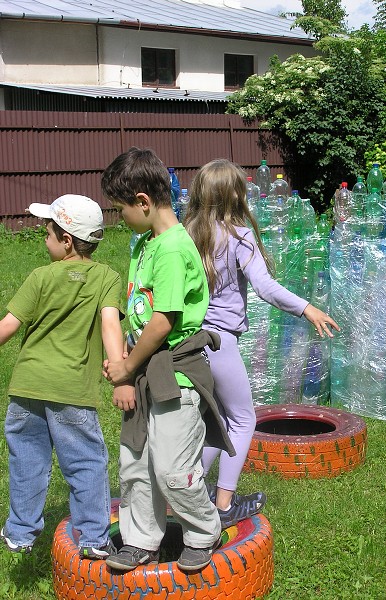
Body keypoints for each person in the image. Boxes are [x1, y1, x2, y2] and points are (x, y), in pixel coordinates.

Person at [184, 159, 340, 527]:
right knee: (242, 419)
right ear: (233, 194)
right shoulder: (238, 235)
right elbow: (265, 288)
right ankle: (222, 506)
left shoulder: (185, 233)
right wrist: (307, 309)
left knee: (216, 421)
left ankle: (187, 496)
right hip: (221, 342)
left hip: (189, 344)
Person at [100, 147, 234, 573]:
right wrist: (126, 362)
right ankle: (141, 540)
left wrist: (126, 366)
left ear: (143, 202)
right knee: (136, 459)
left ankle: (203, 530)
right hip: (145, 366)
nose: (119, 218)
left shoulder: (174, 248)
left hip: (175, 371)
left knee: (173, 465)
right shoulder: (146, 243)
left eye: (121, 209)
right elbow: (138, 312)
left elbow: (163, 321)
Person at [0, 194, 126, 559]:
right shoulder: (106, 276)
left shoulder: (40, 277)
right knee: (85, 460)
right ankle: (92, 538)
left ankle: (20, 532)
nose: (43, 237)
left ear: (66, 240)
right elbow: (109, 325)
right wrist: (120, 372)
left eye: (48, 231)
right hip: (71, 390)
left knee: (26, 459)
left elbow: (8, 326)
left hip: (27, 386)